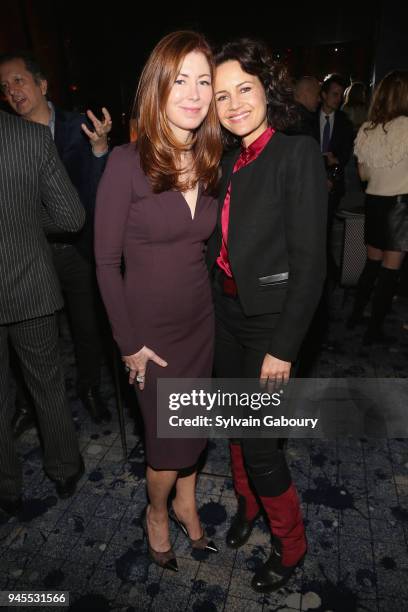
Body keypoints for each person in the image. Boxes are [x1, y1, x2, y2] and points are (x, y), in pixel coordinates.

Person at [95, 31, 223, 571]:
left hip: (200, 324)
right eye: (179, 81)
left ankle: (188, 508)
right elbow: (104, 262)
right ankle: (156, 512)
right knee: (167, 444)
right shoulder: (126, 162)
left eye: (203, 81)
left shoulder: (215, 159)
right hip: (150, 339)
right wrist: (129, 346)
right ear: (157, 88)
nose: (193, 93)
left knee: (194, 429)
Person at [207, 39, 327, 592]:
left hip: (270, 322)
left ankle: (291, 544)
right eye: (223, 94)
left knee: (260, 442)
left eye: (245, 90)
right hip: (227, 313)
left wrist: (284, 347)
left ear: (266, 89)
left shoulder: (295, 153)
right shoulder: (227, 159)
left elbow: (311, 265)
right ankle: (247, 508)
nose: (234, 104)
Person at [0, 52, 112, 429]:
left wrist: (99, 151)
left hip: (77, 246)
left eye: (18, 81)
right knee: (25, 335)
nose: (12, 92)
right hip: (30, 252)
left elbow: (97, 193)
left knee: (86, 327)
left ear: (41, 84)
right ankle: (29, 403)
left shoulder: (79, 126)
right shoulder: (8, 137)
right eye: (4, 87)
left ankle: (90, 388)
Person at [0, 110, 86, 516]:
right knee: (46, 384)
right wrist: (26, 220)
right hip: (29, 287)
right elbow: (72, 216)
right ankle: (65, 469)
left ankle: (6, 486)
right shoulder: (30, 137)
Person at [348, 70, 408, 343]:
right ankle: (374, 330)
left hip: (374, 202)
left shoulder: (367, 129)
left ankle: (354, 316)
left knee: (371, 264)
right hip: (399, 205)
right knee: (390, 271)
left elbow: (363, 176)